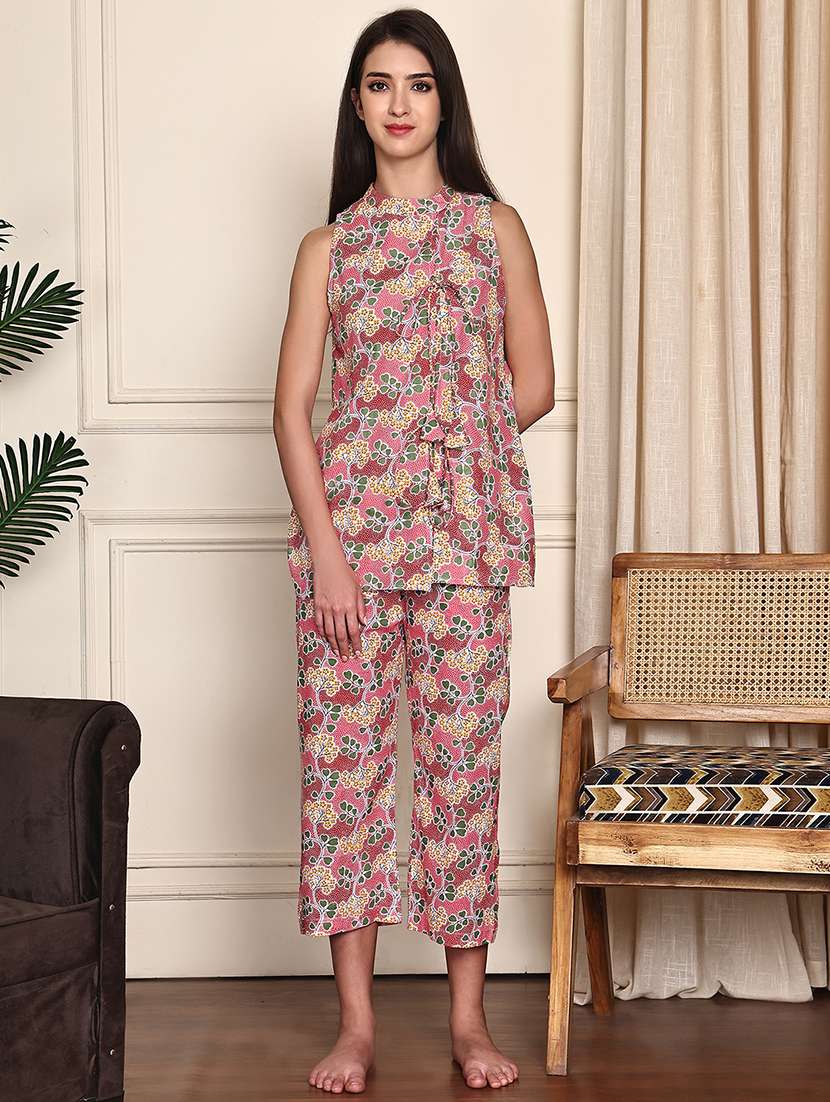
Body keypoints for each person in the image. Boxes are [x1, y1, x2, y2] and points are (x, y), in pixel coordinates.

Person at [273, 7, 555, 1093]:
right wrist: (331, 553)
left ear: (445, 102)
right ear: (357, 104)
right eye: (381, 84)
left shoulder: (494, 230)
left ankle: (468, 1025)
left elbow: (535, 383)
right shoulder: (328, 249)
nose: (400, 104)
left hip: (469, 546)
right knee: (344, 782)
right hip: (348, 551)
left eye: (420, 84)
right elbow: (292, 410)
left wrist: (451, 449)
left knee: (461, 779)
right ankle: (354, 1028)